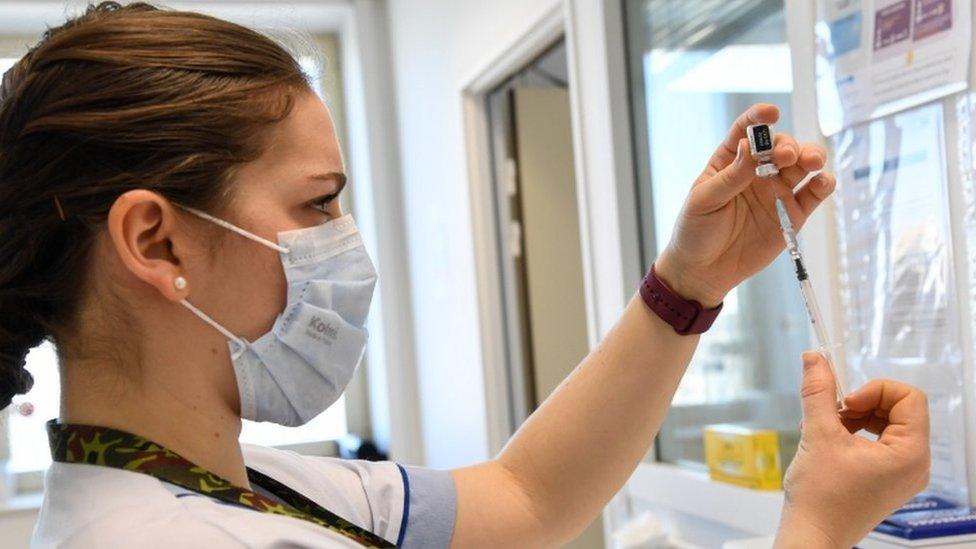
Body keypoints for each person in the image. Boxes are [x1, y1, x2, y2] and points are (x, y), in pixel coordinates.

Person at [0, 3, 930, 548]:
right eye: (318, 203)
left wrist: (686, 284)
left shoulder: (237, 486)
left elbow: (526, 496)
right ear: (157, 243)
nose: (345, 242)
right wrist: (819, 526)